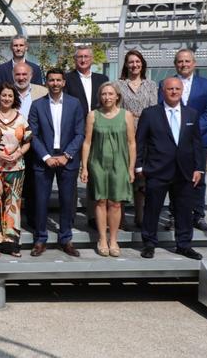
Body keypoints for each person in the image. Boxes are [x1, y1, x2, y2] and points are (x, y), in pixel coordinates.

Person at [137, 77, 205, 261]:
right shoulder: (150, 113)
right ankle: (149, 244)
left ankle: (184, 245)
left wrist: (199, 168)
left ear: (182, 91)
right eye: (170, 89)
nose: (174, 92)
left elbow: (196, 143)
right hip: (157, 170)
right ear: (162, 91)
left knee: (184, 210)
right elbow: (140, 142)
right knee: (152, 209)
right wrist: (138, 166)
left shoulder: (192, 114)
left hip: (184, 171)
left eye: (177, 89)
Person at [159, 48, 207, 234]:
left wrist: (192, 130)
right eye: (180, 61)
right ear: (175, 64)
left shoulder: (205, 84)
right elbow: (162, 109)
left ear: (194, 63)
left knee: (198, 179)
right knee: (175, 179)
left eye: (187, 61)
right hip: (173, 141)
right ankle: (175, 215)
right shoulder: (165, 83)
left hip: (198, 140)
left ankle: (198, 216)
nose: (183, 64)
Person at [28, 69, 86, 258]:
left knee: (67, 201)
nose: (55, 83)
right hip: (44, 158)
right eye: (51, 80)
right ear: (47, 82)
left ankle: (66, 239)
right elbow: (32, 134)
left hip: (67, 158)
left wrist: (67, 155)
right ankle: (40, 239)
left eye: (58, 80)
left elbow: (80, 133)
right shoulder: (37, 105)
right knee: (41, 201)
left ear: (63, 82)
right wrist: (46, 156)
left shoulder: (74, 104)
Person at [80, 82, 136, 257]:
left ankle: (113, 239)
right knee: (101, 201)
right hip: (97, 163)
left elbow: (132, 143)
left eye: (111, 94)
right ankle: (102, 238)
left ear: (117, 96)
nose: (107, 97)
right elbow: (87, 142)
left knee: (116, 202)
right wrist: (84, 167)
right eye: (104, 94)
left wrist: (131, 168)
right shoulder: (93, 115)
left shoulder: (127, 115)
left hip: (120, 163)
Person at [0, 83, 32, 258]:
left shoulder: (21, 118)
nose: (6, 98)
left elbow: (27, 141)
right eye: (4, 95)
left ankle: (11, 242)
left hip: (15, 166)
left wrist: (18, 154)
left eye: (10, 96)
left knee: (13, 203)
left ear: (14, 98)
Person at [64, 46, 109, 230]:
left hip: (98, 131)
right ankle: (70, 215)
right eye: (80, 57)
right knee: (72, 174)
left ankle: (93, 216)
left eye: (86, 56)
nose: (83, 60)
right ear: (75, 60)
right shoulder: (67, 79)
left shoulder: (102, 79)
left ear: (92, 59)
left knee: (95, 175)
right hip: (74, 132)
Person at [116, 49, 158, 227]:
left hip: (146, 137)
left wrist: (137, 116)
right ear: (126, 64)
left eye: (137, 61)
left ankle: (140, 217)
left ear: (142, 64)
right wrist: (131, 116)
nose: (134, 65)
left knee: (141, 178)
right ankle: (122, 218)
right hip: (123, 136)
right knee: (124, 178)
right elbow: (115, 110)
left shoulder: (151, 85)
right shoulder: (118, 85)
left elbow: (154, 110)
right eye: (131, 62)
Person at [14, 62, 47, 229]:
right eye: (18, 75)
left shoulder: (42, 92)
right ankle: (14, 221)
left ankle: (34, 221)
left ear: (31, 75)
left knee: (34, 184)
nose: (21, 78)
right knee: (15, 185)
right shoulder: (6, 92)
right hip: (12, 147)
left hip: (36, 144)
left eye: (24, 74)